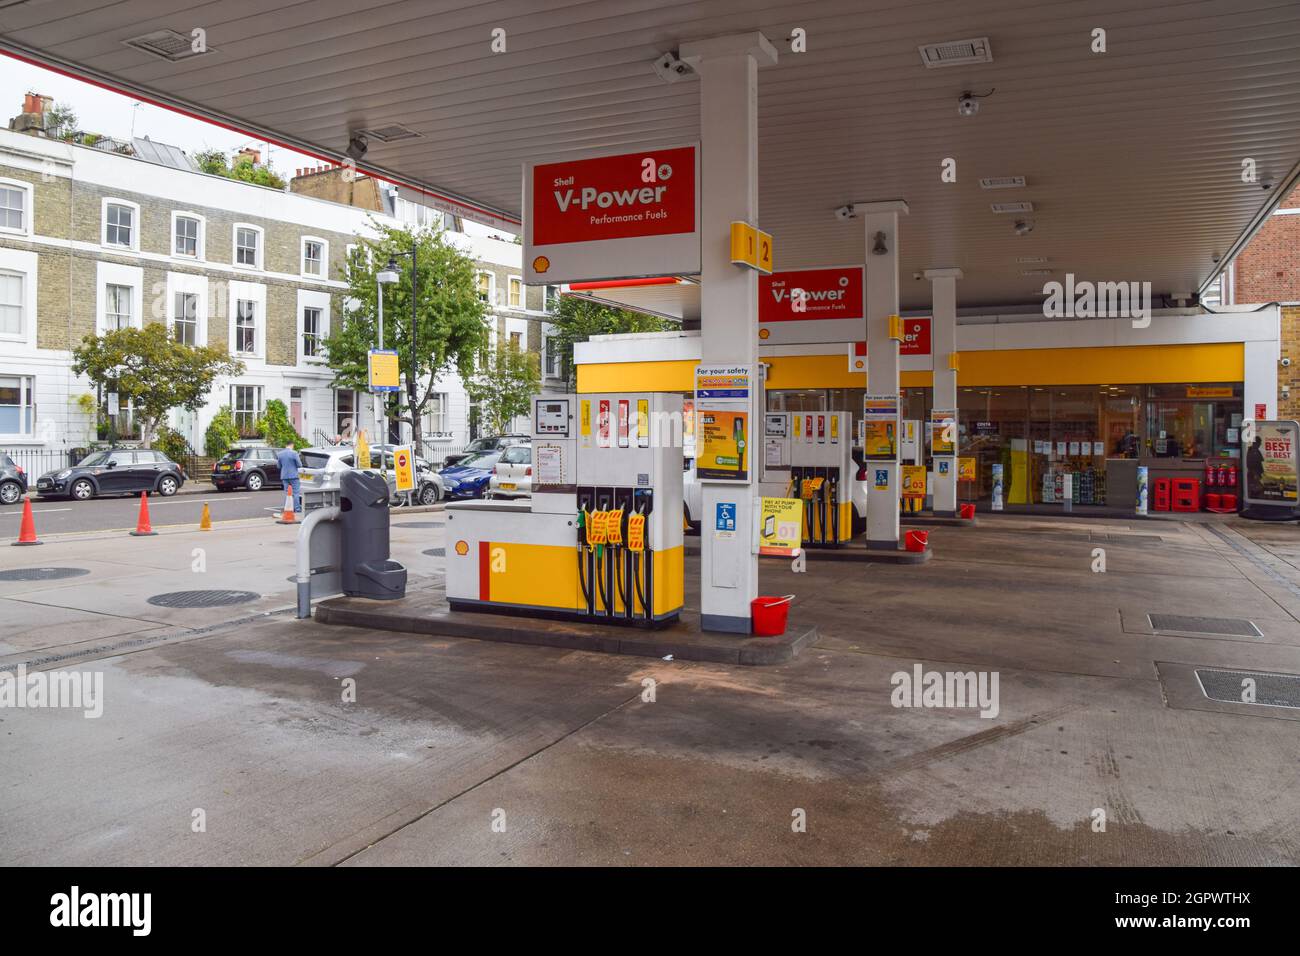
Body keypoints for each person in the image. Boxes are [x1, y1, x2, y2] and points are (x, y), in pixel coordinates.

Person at [277, 442, 303, 513]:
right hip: (294, 475)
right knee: (296, 493)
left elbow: (278, 466)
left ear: (286, 445)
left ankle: (288, 508)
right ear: (292, 445)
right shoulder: (294, 453)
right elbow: (299, 464)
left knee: (288, 493)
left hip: (284, 476)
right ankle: (297, 509)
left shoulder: (280, 454)